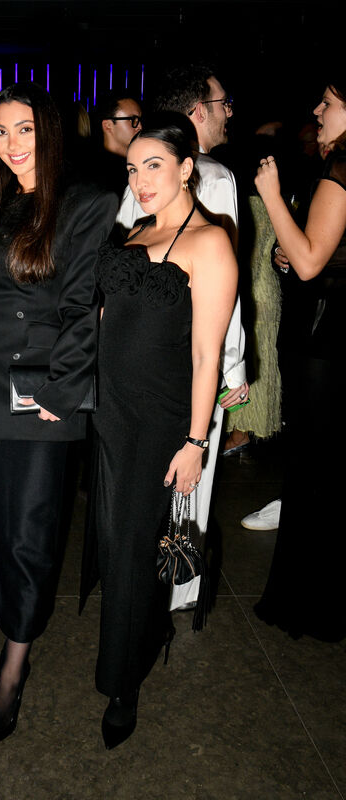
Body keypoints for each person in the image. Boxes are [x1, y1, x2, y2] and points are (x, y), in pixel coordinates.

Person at [0, 82, 118, 754]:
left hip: (39, 394)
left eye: (23, 130)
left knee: (29, 534)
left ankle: (13, 667)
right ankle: (12, 624)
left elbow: (82, 307)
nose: (10, 145)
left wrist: (61, 387)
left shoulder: (86, 204)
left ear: (49, 132)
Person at [89, 113, 237, 749]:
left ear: (186, 168)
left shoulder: (211, 243)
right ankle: (143, 637)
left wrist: (197, 440)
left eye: (154, 165)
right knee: (117, 541)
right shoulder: (135, 231)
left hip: (158, 420)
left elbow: (208, 355)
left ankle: (123, 682)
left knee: (128, 547)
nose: (141, 179)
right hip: (108, 413)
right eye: (132, 167)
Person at [117, 64, 248, 543]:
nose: (228, 112)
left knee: (174, 487)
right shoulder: (214, 176)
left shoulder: (162, 178)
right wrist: (234, 367)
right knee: (186, 495)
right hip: (178, 364)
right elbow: (220, 290)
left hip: (160, 361)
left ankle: (169, 589)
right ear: (198, 109)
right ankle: (175, 589)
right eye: (222, 103)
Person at [252, 79, 346, 641]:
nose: (317, 111)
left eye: (330, 103)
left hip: (329, 341)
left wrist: (270, 194)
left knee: (317, 469)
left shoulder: (340, 173)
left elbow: (311, 262)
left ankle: (311, 605)